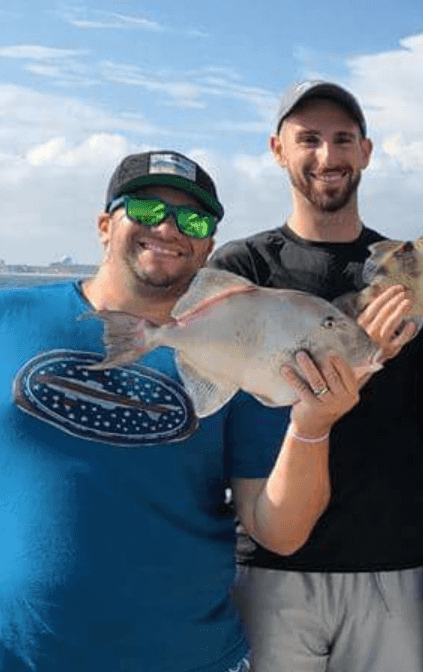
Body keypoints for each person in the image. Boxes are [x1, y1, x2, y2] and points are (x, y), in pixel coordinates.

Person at [0, 150, 357, 672]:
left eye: (192, 219)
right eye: (146, 210)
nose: (168, 228)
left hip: (186, 656)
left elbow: (278, 531)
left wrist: (313, 425)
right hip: (21, 653)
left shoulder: (240, 353)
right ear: (105, 224)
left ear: (208, 246)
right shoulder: (11, 317)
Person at [209, 81, 423, 672]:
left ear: (366, 151)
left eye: (343, 140)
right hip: (271, 563)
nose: (327, 157)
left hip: (393, 559)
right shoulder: (243, 266)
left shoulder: (407, 265)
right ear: (277, 149)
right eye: (308, 139)